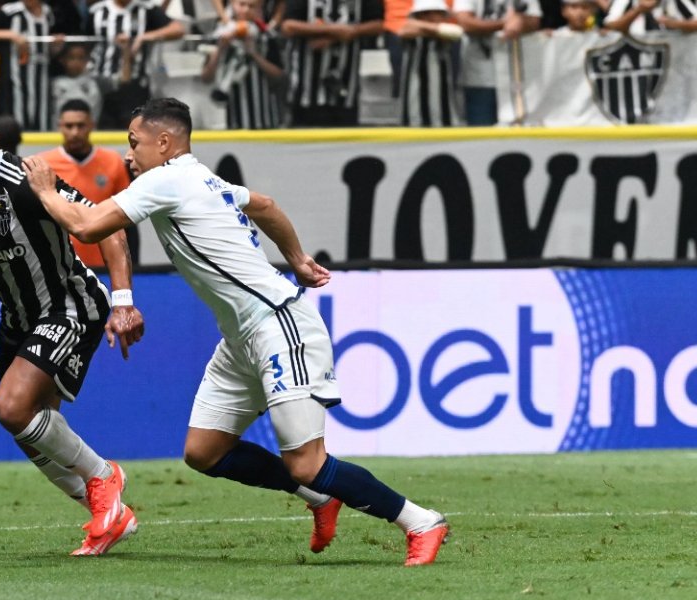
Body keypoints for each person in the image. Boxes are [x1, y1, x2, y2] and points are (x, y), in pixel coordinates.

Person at [23, 98, 450, 566]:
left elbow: (86, 227)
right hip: (243, 338)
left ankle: (419, 520)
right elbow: (264, 205)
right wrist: (297, 258)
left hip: (277, 325)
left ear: (164, 143)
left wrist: (46, 191)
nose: (128, 156)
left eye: (134, 143)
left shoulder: (166, 179)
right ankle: (319, 497)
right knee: (205, 451)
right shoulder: (202, 177)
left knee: (307, 461)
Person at [0, 95, 145, 556]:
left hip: (70, 305)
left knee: (11, 407)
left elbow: (108, 229)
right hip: (17, 317)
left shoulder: (25, 182)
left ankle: (103, 477)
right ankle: (108, 514)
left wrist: (123, 302)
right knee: (30, 427)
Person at [36, 98, 132, 268]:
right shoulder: (44, 165)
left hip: (104, 263)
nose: (75, 132)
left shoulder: (113, 161)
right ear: (60, 126)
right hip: (59, 265)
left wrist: (132, 261)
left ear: (91, 125)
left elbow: (126, 218)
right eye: (69, 126)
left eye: (81, 125)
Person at [281, 0, 384, 127]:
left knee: (346, 142)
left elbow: (379, 24)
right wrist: (334, 30)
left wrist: (348, 33)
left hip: (346, 89)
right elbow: (288, 26)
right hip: (307, 90)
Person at [85, 0, 186, 128]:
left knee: (136, 129)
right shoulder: (97, 11)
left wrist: (145, 36)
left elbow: (178, 29)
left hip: (135, 84)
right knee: (102, 128)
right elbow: (84, 44)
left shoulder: (146, 9)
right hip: (101, 83)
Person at [0, 0, 63, 131]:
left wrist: (56, 45)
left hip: (41, 84)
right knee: (15, 124)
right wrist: (11, 35)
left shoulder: (49, 13)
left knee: (42, 122)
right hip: (14, 84)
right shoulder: (10, 12)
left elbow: (50, 49)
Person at [454, 0, 543, 126]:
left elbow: (535, 20)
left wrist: (520, 21)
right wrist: (505, 23)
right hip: (480, 77)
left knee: (518, 137)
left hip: (516, 77)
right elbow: (465, 23)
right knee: (480, 135)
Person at [201, 0, 286, 129]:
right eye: (242, 4)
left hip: (265, 119)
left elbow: (280, 77)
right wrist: (220, 49)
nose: (245, 10)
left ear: (260, 8)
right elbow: (206, 77)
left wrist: (254, 54)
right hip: (230, 120)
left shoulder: (267, 36)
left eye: (251, 6)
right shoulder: (218, 35)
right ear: (232, 4)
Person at [397, 0, 462, 127]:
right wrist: (432, 28)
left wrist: (421, 25)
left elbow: (456, 32)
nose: (431, 16)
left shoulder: (447, 32)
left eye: (437, 13)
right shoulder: (410, 33)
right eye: (426, 13)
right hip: (414, 106)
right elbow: (403, 32)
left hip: (442, 108)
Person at [51, 42, 105, 127]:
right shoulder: (55, 83)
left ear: (87, 60)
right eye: (71, 58)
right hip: (58, 133)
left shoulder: (94, 83)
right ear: (62, 60)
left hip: (89, 133)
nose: (76, 62)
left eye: (81, 58)